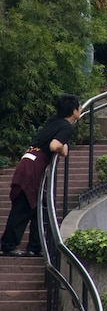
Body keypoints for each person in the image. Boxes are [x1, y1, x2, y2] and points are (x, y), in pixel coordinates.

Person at [1, 94, 81, 257]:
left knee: (39, 206)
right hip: (34, 166)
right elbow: (54, 145)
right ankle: (8, 246)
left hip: (28, 161)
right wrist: (63, 148)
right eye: (79, 108)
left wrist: (63, 146)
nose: (80, 110)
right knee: (24, 206)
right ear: (74, 111)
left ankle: (34, 247)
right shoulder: (67, 127)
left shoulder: (53, 121)